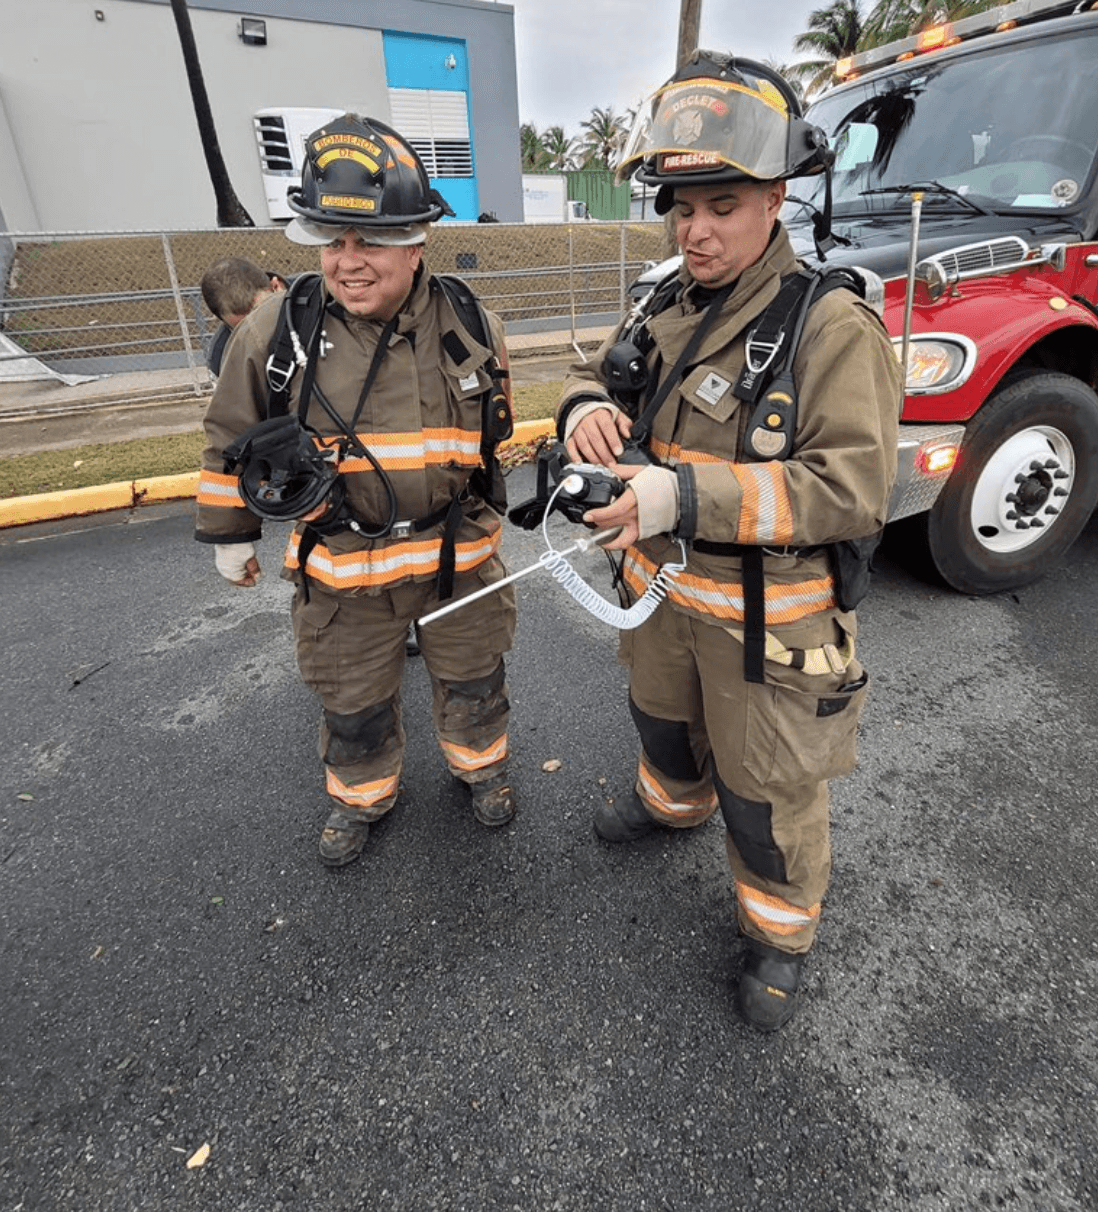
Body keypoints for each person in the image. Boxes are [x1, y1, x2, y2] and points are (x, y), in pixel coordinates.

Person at [556, 53, 902, 1031]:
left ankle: (780, 933)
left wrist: (682, 495)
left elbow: (851, 487)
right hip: (660, 602)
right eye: (681, 206)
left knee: (766, 794)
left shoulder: (831, 327)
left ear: (775, 198)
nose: (696, 229)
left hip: (767, 627)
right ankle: (669, 805)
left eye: (721, 204)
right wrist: (585, 404)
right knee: (661, 727)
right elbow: (599, 371)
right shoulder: (667, 302)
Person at [194, 113, 517, 866]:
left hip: (458, 565)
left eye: (370, 241)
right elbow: (228, 437)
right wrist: (233, 533)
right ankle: (361, 797)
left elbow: (490, 440)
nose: (349, 262)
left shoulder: (474, 324)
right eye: (333, 242)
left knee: (476, 685)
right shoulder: (278, 329)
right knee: (354, 706)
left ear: (416, 241)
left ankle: (483, 768)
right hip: (342, 581)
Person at [199, 257, 286, 378]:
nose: (258, 332)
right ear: (223, 321)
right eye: (244, 328)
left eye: (265, 316)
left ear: (276, 286)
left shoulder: (316, 293)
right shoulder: (222, 360)